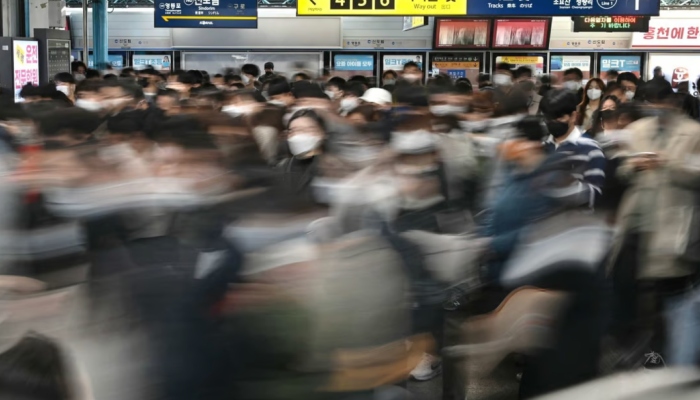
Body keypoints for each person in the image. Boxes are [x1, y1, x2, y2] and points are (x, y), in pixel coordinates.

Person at [541, 89, 607, 209]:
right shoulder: (542, 147)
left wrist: (567, 182)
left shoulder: (590, 149)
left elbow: (595, 197)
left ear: (573, 116)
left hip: (573, 222)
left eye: (559, 118)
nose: (552, 122)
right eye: (548, 119)